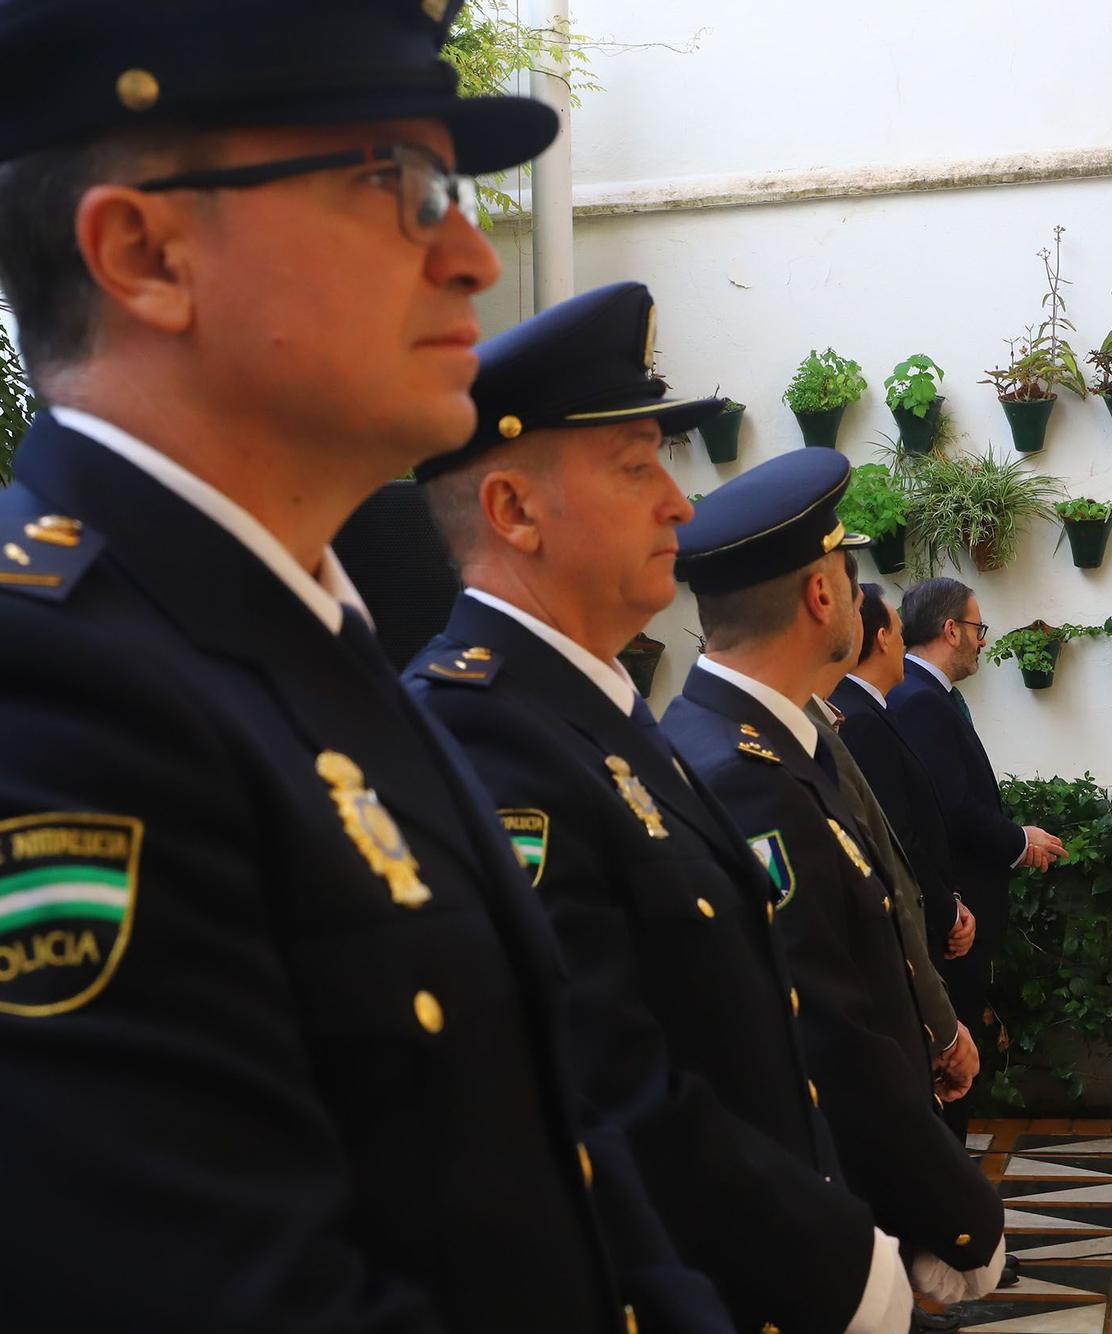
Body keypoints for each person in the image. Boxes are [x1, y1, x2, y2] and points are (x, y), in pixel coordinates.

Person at [0, 4, 723, 1329]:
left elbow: (572, 1166)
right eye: (410, 191)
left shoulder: (309, 645)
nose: (476, 259)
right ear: (143, 253)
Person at [405, 281, 912, 1334]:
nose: (678, 502)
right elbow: (603, 1080)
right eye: (636, 466)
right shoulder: (481, 726)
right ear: (512, 509)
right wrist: (831, 1263)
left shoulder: (607, 710)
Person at [661, 450, 1006, 1312]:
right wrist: (959, 1210)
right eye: (853, 587)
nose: (862, 607)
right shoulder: (742, 768)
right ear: (822, 596)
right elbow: (822, 1021)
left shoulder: (772, 739)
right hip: (824, 1207)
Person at [888, 577, 1065, 1129]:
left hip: (958, 911)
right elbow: (949, 807)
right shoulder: (919, 698)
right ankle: (952, 1212)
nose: (983, 641)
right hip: (951, 916)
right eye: (978, 628)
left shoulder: (927, 695)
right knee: (950, 1069)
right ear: (950, 630)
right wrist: (1019, 843)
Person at [825, 584, 979, 1107]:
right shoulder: (860, 719)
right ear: (883, 637)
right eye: (896, 631)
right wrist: (946, 906)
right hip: (919, 931)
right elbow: (897, 839)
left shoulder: (874, 710)